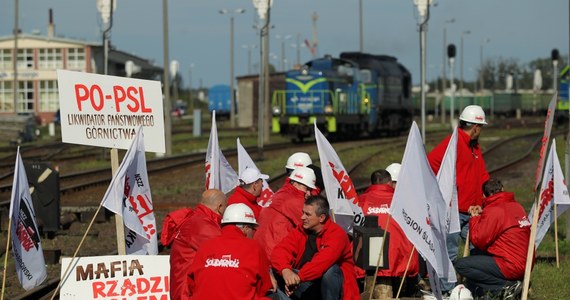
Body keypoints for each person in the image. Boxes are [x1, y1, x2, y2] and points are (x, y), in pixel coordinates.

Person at [427, 105, 490, 291]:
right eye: (481, 127)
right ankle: (448, 291)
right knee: (450, 253)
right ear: (476, 127)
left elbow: (482, 174)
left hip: (472, 211)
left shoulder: (474, 146)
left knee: (479, 250)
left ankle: (474, 287)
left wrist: (489, 194)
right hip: (454, 212)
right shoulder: (453, 143)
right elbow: (431, 163)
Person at [271, 195, 360, 300]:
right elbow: (280, 250)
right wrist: (285, 270)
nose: (302, 217)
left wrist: (298, 278)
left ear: (321, 217)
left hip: (332, 289)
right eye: (303, 212)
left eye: (307, 214)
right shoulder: (301, 230)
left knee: (331, 270)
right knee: (274, 271)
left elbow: (322, 262)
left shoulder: (337, 234)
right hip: (306, 283)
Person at [454, 179, 531, 298]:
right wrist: (484, 213)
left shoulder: (494, 210)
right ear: (502, 190)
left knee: (462, 265)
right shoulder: (516, 206)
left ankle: (505, 287)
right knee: (480, 255)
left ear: (484, 195)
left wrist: (474, 218)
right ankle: (511, 288)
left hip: (511, 265)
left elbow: (478, 240)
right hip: (526, 262)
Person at [188, 203, 275, 300]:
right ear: (246, 228)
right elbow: (264, 287)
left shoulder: (205, 246)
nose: (254, 233)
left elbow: (191, 283)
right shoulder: (254, 248)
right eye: (253, 229)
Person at [358, 168, 418, 296]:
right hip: (398, 256)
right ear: (390, 183)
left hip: (367, 257)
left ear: (372, 184)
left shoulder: (361, 200)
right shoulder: (402, 202)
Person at [169, 189, 227, 300]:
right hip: (188, 293)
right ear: (220, 207)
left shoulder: (196, 219)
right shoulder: (204, 225)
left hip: (183, 288)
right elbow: (226, 251)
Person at [254, 167, 316, 259]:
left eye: (310, 190)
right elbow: (316, 225)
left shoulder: (281, 193)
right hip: (274, 253)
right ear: (295, 184)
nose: (309, 193)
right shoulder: (296, 201)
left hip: (261, 248)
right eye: (306, 188)